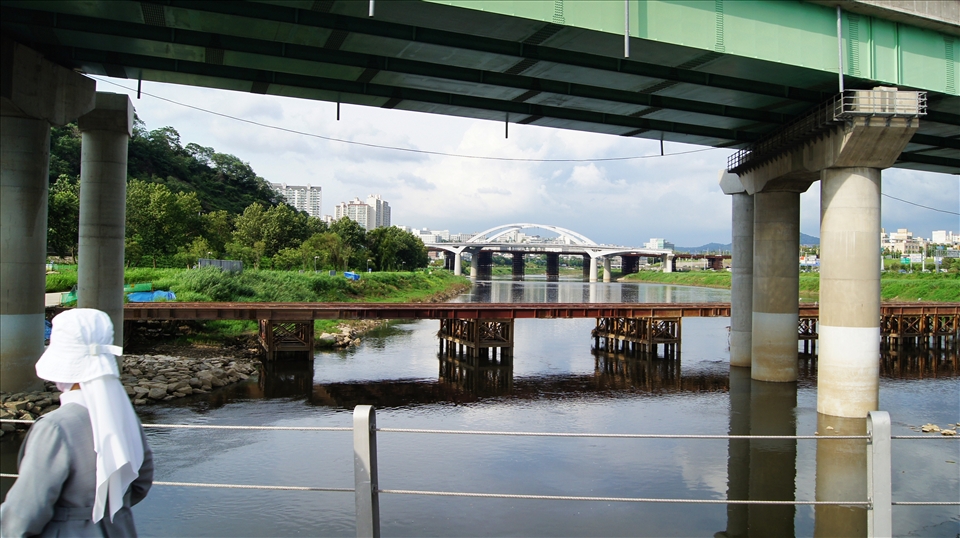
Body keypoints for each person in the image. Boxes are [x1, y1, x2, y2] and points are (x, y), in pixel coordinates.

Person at [1, 309, 154, 537]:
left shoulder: (55, 427)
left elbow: (25, 512)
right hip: (119, 528)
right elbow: (140, 483)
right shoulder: (122, 416)